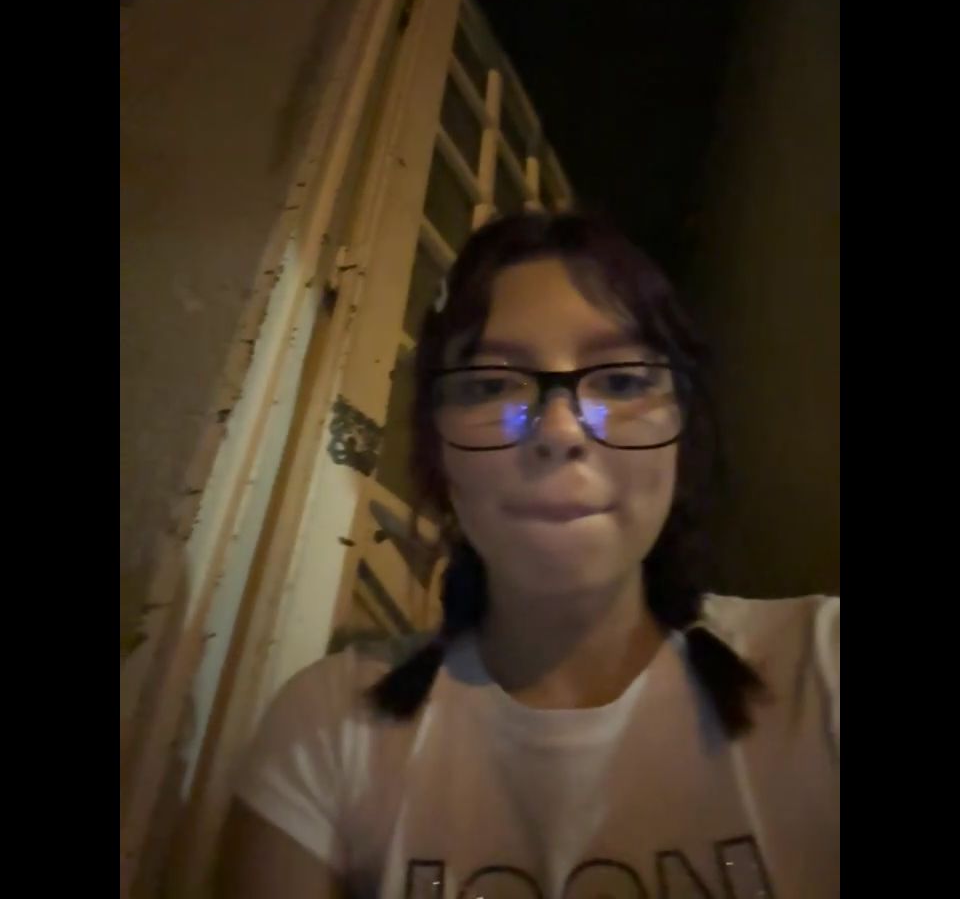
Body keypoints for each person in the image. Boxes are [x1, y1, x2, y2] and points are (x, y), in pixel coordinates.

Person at [217, 212, 839, 899]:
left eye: (622, 382)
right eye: (491, 386)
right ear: (438, 451)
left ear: (682, 434)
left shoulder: (825, 670)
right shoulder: (330, 728)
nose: (560, 430)